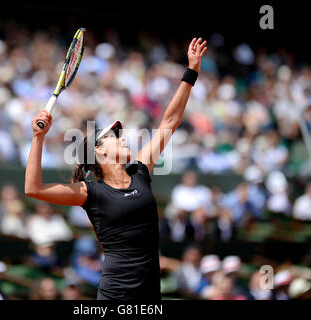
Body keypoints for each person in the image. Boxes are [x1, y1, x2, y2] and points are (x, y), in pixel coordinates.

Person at [25, 37, 207, 300]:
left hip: (150, 295)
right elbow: (33, 188)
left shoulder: (140, 172)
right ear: (98, 150)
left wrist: (191, 73)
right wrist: (37, 138)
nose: (122, 138)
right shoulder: (91, 191)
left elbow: (169, 121)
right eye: (114, 136)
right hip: (115, 296)